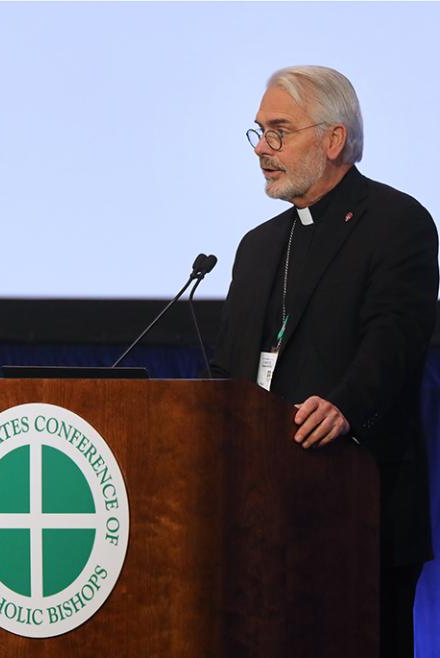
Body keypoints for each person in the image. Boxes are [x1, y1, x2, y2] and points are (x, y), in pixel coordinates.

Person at [211, 65, 439, 658]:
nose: (262, 149)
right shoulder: (258, 248)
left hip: (359, 512)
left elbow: (395, 339)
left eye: (279, 131)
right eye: (258, 132)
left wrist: (344, 404)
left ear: (334, 139)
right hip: (258, 521)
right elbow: (231, 369)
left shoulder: (397, 223)